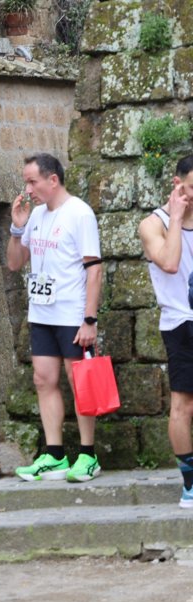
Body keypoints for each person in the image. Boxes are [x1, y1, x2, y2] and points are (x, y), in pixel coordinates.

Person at [7, 153, 103, 483]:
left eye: (32, 181)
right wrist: (17, 228)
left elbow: (95, 269)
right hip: (42, 312)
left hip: (72, 313)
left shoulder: (79, 213)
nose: (28, 188)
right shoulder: (35, 216)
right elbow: (15, 263)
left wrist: (89, 319)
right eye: (26, 182)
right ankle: (55, 454)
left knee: (80, 383)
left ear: (52, 179)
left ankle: (88, 455)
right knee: (43, 380)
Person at [138, 154, 193, 507]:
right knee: (183, 406)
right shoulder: (152, 225)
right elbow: (170, 263)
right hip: (180, 323)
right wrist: (176, 217)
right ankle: (190, 484)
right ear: (178, 185)